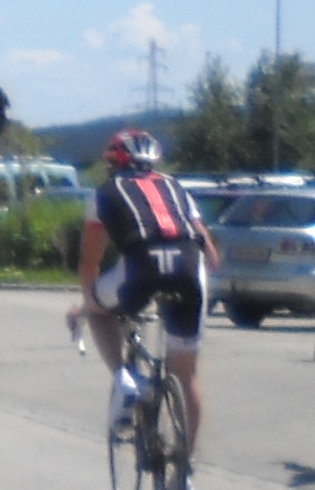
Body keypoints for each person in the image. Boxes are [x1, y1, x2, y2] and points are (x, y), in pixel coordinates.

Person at [74, 130, 219, 467]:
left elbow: (90, 262)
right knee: (186, 375)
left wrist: (86, 303)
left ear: (113, 163)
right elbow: (211, 257)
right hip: (189, 272)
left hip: (138, 270)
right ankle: (183, 470)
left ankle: (125, 379)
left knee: (97, 312)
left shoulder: (104, 193)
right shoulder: (177, 188)